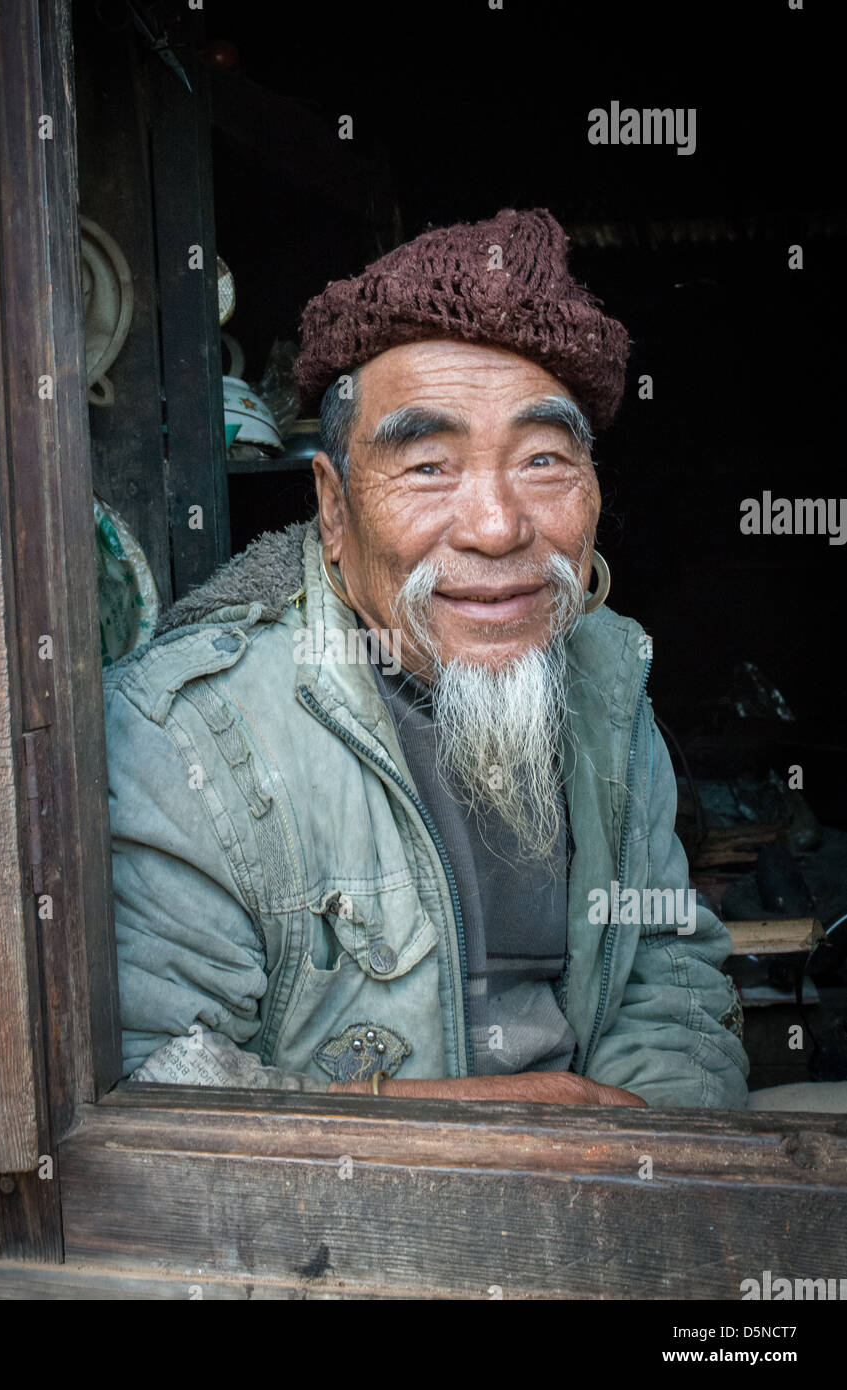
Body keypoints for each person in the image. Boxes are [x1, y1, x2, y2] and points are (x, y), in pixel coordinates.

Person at [103, 207, 749, 1108]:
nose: (496, 528)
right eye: (427, 468)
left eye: (542, 460)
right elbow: (157, 1096)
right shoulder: (185, 739)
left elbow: (666, 978)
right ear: (332, 509)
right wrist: (508, 1120)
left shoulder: (604, 678)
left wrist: (644, 1162)